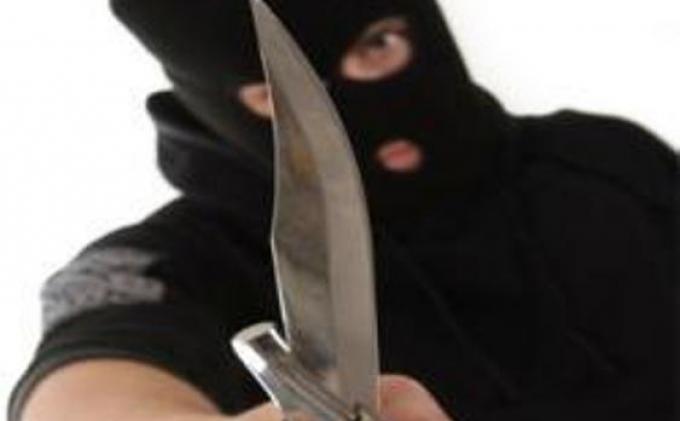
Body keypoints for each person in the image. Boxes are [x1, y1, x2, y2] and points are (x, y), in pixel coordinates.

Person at [9, 0, 678, 420]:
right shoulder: (165, 263)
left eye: (377, 47)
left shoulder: (607, 157)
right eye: (273, 96)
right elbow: (86, 386)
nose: (340, 113)